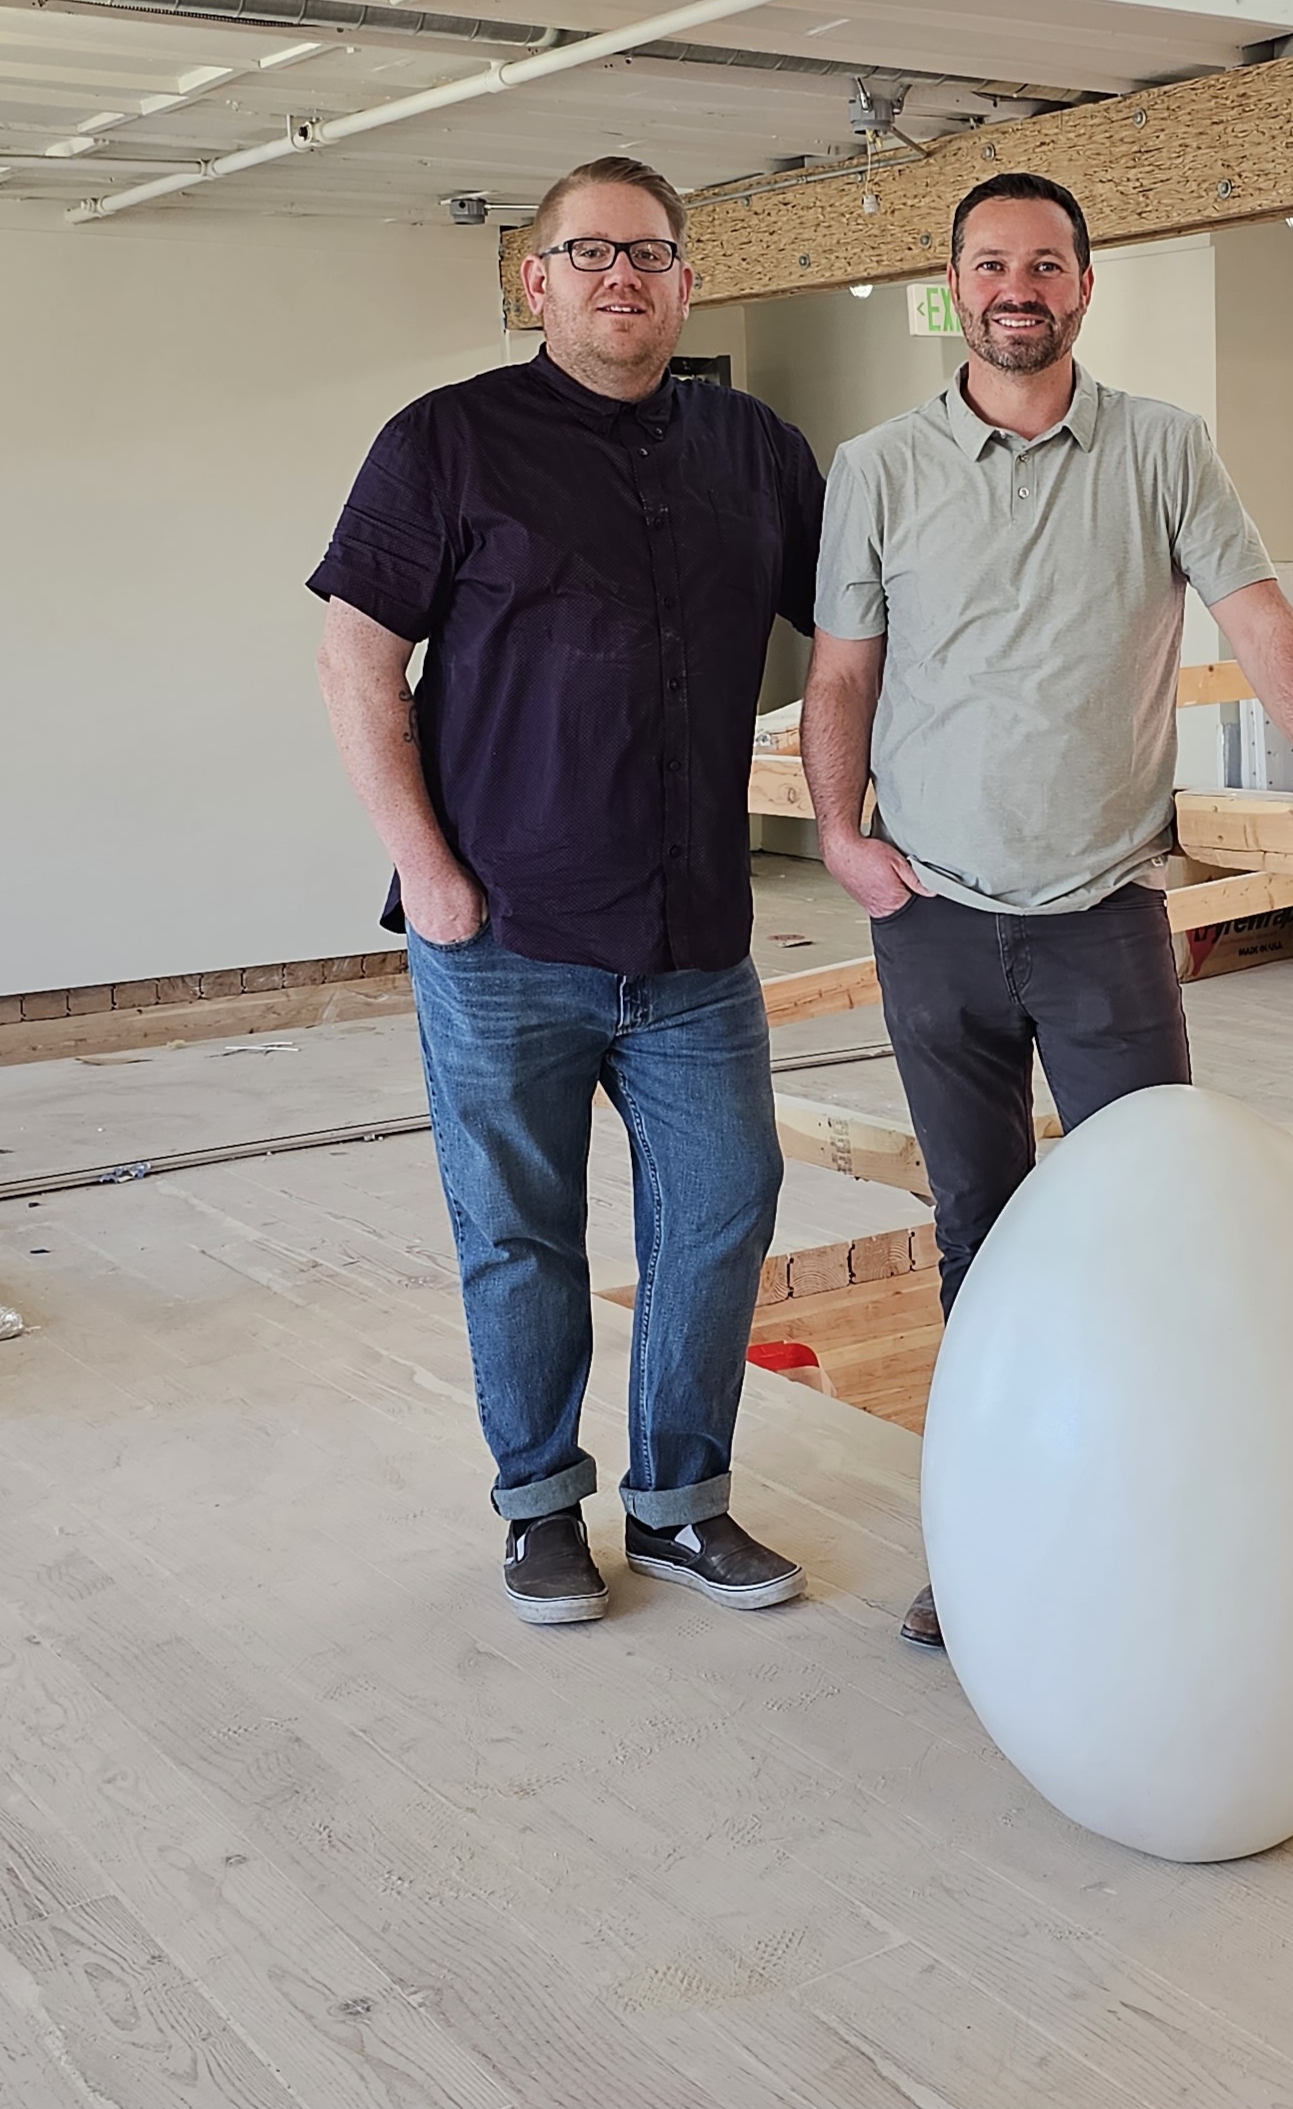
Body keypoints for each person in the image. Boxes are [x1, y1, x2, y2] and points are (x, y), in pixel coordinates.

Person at [802, 170, 1293, 1650]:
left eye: (1048, 264)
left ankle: (1159, 1532)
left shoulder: (1162, 450)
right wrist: (838, 837)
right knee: (980, 1233)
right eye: (992, 264)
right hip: (930, 915)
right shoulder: (877, 467)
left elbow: (1257, 613)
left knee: (1150, 1230)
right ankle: (996, 1546)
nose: (1021, 287)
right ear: (955, 287)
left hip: (1102, 914)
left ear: (1083, 285)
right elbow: (842, 675)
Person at [312, 154, 822, 1627]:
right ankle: (541, 1503)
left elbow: (864, 625)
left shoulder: (755, 449)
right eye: (588, 252)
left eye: (650, 253)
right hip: (504, 933)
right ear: (532, 279)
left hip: (693, 941)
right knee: (521, 1229)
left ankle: (677, 1504)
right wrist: (428, 871)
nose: (622, 276)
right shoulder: (447, 443)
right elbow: (356, 658)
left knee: (723, 1207)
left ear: (684, 281)